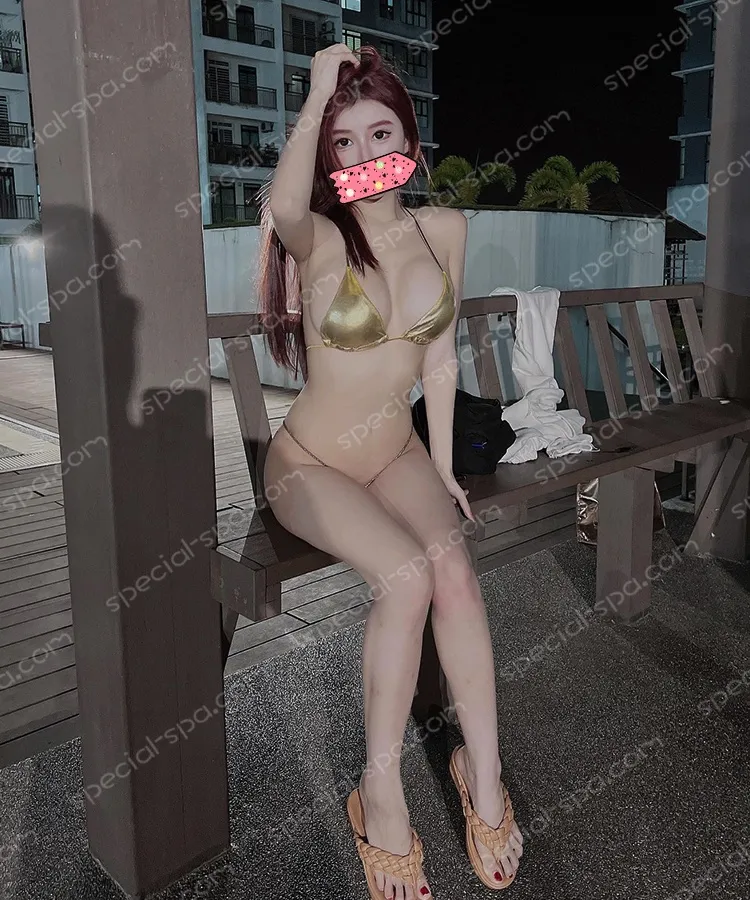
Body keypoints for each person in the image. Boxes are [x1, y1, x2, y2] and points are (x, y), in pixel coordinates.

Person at [257, 44, 523, 900]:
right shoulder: (319, 234)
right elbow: (282, 203)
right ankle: (379, 794)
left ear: (409, 137)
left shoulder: (446, 229)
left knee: (457, 576)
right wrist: (315, 96)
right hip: (311, 463)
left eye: (381, 133)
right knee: (405, 579)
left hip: (397, 452)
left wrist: (442, 468)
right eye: (345, 142)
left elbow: (438, 358)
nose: (366, 154)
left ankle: (484, 778)